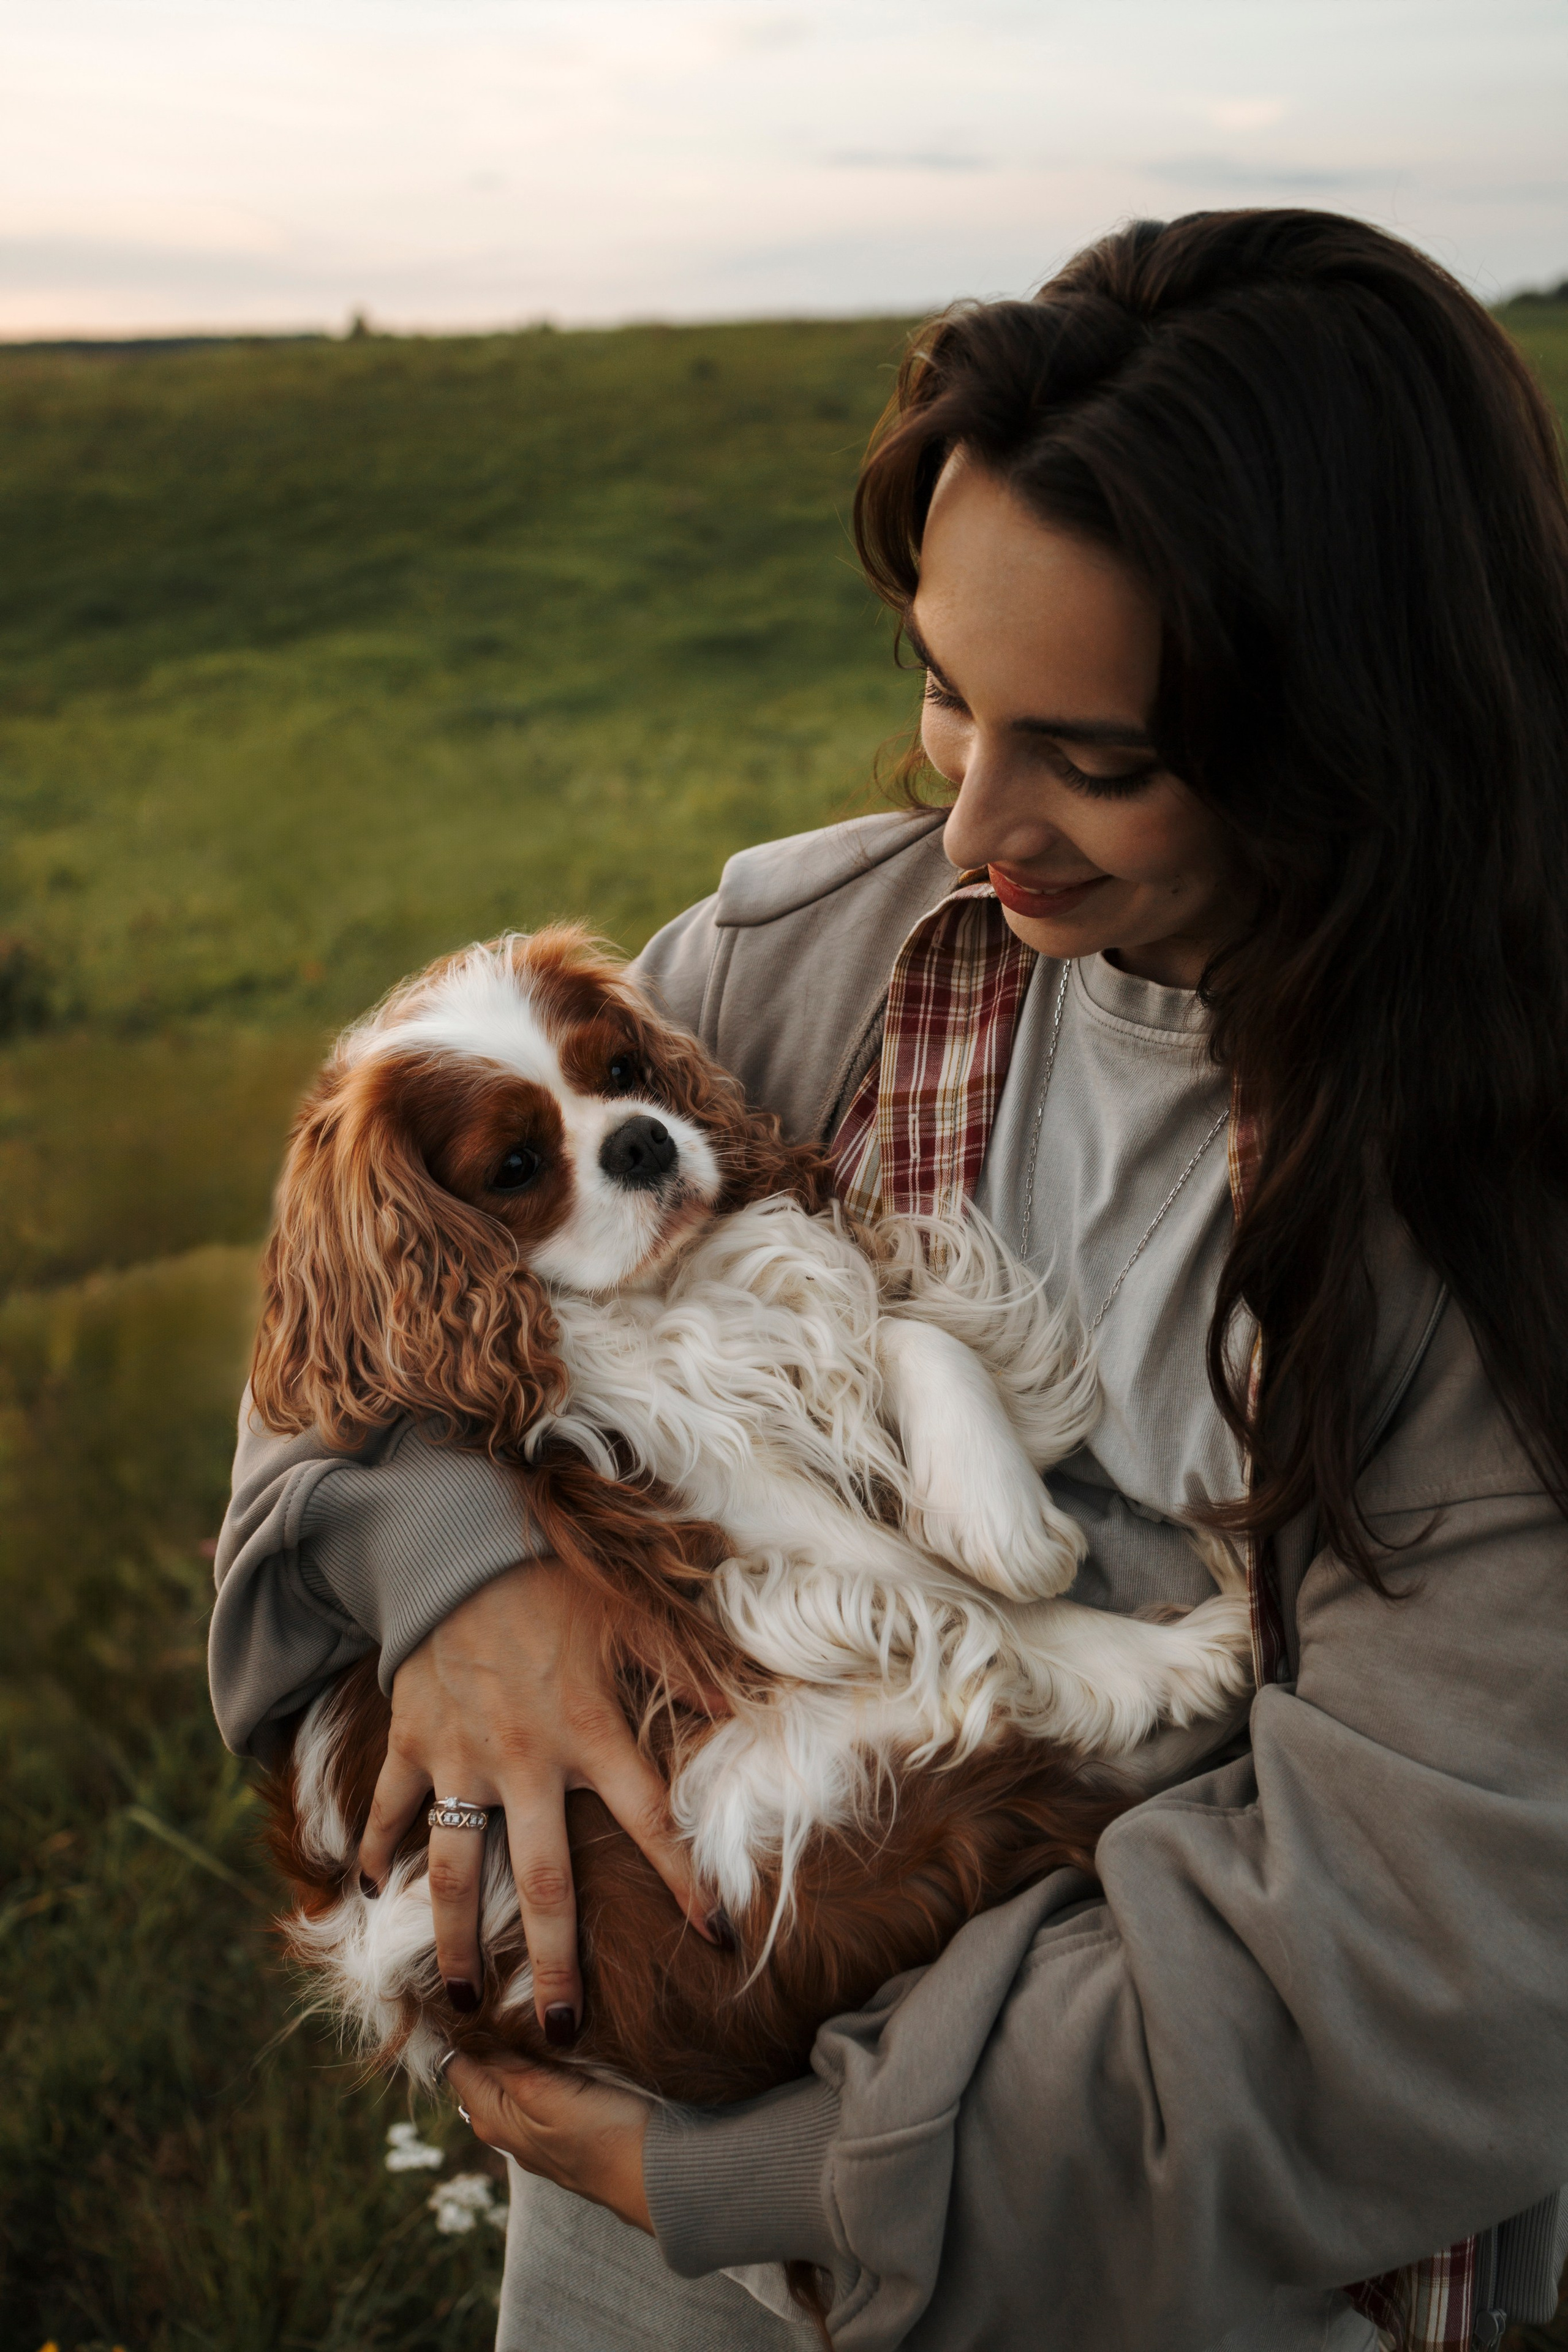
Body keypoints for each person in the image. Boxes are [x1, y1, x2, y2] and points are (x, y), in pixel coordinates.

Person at [211, 209, 1568, 2352]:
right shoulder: (777, 972)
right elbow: (338, 1372)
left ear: (1360, 729)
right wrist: (453, 1565)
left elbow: (1439, 1979)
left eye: (1095, 758)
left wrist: (775, 2175)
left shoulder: (1500, 1209)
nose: (972, 827)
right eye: (948, 695)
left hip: (1132, 2279)